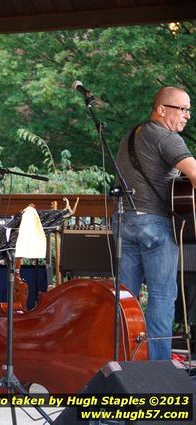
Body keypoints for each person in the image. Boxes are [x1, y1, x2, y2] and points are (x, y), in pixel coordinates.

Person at [113, 86, 193, 360]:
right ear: (162, 110)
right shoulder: (166, 138)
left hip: (124, 221)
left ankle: (125, 362)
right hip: (155, 225)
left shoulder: (131, 136)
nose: (187, 116)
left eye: (189, 110)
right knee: (160, 295)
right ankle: (159, 367)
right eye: (182, 109)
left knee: (126, 298)